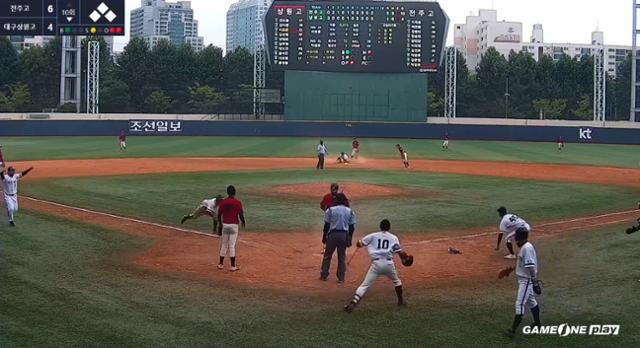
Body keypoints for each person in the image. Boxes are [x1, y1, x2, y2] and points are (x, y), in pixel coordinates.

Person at [344, 219, 405, 313]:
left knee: (365, 285)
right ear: (389, 228)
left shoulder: (373, 235)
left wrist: (361, 244)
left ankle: (353, 302)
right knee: (397, 281)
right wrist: (404, 258)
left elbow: (359, 243)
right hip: (389, 264)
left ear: (380, 227)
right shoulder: (394, 237)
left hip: (376, 264)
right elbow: (399, 252)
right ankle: (401, 301)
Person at [502, 228, 541, 336]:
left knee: (519, 304)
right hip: (525, 279)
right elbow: (522, 263)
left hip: (526, 281)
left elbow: (531, 266)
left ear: (520, 238)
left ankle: (512, 330)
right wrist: (509, 270)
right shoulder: (524, 247)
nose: (515, 240)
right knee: (532, 302)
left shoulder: (527, 248)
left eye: (516, 238)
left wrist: (534, 281)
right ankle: (537, 324)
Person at [320, 193, 356, 283]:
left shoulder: (330, 210)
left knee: (327, 256)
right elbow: (352, 227)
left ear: (336, 200)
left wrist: (324, 237)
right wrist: (350, 238)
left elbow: (326, 225)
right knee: (341, 256)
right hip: (343, 235)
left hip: (332, 235)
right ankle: (341, 278)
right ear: (344, 201)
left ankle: (324, 275)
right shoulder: (350, 211)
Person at [217, 185, 245, 272]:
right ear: (234, 192)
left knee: (224, 244)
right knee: (232, 245)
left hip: (225, 224)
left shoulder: (223, 202)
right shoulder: (237, 202)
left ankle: (220, 264)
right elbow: (240, 214)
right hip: (233, 225)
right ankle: (232, 266)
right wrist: (243, 221)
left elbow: (219, 214)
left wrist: (220, 225)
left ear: (227, 192)